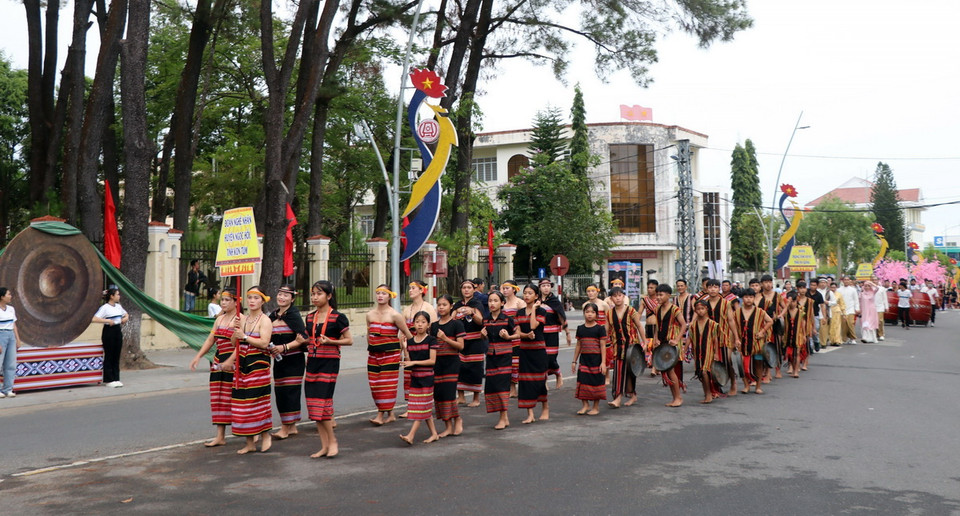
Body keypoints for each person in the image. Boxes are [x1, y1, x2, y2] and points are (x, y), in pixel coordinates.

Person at [302, 280, 352, 458]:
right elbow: (308, 339)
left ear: (329, 296)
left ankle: (333, 442)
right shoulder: (309, 317)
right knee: (314, 406)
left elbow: (349, 340)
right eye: (313, 294)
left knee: (323, 405)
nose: (315, 297)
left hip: (329, 364)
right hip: (312, 363)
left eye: (319, 294)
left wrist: (331, 341)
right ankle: (324, 445)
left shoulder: (338, 317)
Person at [190, 288, 241, 446]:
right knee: (218, 398)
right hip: (218, 360)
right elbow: (211, 340)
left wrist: (230, 362)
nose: (223, 303)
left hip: (234, 362)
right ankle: (220, 436)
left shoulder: (241, 320)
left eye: (227, 300)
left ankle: (250, 434)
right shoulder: (219, 320)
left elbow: (241, 345)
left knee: (236, 398)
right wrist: (198, 356)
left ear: (236, 302)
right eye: (222, 300)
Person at [226, 286, 274, 454]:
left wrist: (245, 337)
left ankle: (265, 435)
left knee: (257, 401)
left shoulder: (265, 320)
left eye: (256, 297)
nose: (252, 301)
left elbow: (264, 343)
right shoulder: (243, 319)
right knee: (242, 403)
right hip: (242, 364)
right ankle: (249, 442)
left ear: (262, 300)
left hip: (258, 365)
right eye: (250, 297)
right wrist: (236, 331)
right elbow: (234, 343)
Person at [366, 285, 413, 426]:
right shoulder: (370, 315)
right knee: (374, 385)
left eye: (383, 293)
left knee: (385, 385)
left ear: (389, 296)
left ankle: (380, 415)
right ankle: (391, 414)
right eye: (378, 293)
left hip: (390, 355)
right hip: (373, 355)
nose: (380, 296)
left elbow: (408, 334)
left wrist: (408, 351)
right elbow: (369, 334)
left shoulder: (395, 315)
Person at [268, 285, 308, 439]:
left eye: (286, 295)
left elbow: (303, 338)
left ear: (292, 299)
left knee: (291, 392)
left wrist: (284, 347)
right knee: (280, 392)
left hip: (294, 359)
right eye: (280, 294)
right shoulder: (273, 316)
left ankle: (286, 427)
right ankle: (291, 427)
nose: (282, 297)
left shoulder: (294, 316)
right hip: (279, 361)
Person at [399, 311, 440, 445]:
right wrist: (405, 349)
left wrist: (414, 363)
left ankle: (411, 435)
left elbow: (432, 361)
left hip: (427, 378)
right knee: (424, 407)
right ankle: (434, 434)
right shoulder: (410, 342)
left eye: (423, 322)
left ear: (428, 324)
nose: (420, 325)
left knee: (421, 407)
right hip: (415, 378)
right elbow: (409, 361)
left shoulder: (431, 340)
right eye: (417, 322)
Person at [482, 291, 519, 430]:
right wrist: (482, 336)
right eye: (490, 301)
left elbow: (517, 334)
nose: (492, 303)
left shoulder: (507, 319)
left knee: (502, 386)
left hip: (504, 356)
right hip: (491, 356)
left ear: (502, 303)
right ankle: (504, 417)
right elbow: (485, 339)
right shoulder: (486, 320)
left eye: (495, 301)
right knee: (492, 386)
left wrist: (508, 336)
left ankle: (503, 418)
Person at [400, 280, 437, 418]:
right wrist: (403, 349)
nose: (410, 290)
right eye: (409, 288)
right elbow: (402, 331)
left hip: (424, 346)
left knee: (423, 376)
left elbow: (433, 329)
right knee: (409, 377)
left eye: (413, 288)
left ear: (421, 290)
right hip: (409, 346)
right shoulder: (406, 309)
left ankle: (424, 404)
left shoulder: (428, 308)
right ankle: (411, 406)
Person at [431, 294, 465, 437]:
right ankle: (448, 425)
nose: (441, 307)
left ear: (451, 306)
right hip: (437, 364)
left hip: (451, 363)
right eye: (439, 305)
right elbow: (431, 346)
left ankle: (457, 419)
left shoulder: (457, 324)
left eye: (444, 305)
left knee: (449, 394)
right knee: (439, 395)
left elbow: (461, 346)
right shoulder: (434, 326)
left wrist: (445, 338)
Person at [516, 284, 549, 424]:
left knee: (540, 380)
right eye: (525, 293)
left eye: (530, 293)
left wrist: (534, 309)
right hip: (524, 350)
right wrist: (525, 335)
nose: (527, 295)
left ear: (536, 296)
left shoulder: (541, 311)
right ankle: (530, 413)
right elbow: (517, 332)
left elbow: (534, 326)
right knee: (525, 382)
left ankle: (545, 408)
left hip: (538, 350)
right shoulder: (519, 312)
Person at [606, 286, 642, 408]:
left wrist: (645, 341)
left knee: (630, 372)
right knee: (619, 372)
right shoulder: (609, 313)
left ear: (623, 297)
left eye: (620, 295)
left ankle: (630, 395)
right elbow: (606, 331)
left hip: (631, 347)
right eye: (615, 296)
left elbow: (639, 326)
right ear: (611, 299)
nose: (618, 298)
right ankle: (619, 397)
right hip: (617, 347)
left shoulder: (631, 311)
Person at [652, 284, 687, 407]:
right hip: (662, 344)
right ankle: (674, 398)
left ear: (668, 295)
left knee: (671, 371)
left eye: (661, 295)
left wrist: (677, 339)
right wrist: (655, 339)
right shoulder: (657, 309)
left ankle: (678, 397)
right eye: (657, 295)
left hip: (671, 344)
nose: (658, 297)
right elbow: (656, 326)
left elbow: (684, 325)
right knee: (666, 371)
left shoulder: (674, 309)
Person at [453, 280, 486, 407]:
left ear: (473, 289)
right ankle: (460, 397)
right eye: (464, 288)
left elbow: (480, 321)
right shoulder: (457, 304)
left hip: (475, 341)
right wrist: (457, 313)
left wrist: (471, 312)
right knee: (459, 368)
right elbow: (451, 319)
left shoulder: (477, 303)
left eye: (469, 287)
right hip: (460, 341)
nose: (466, 290)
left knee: (475, 369)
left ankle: (476, 398)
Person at [734, 288, 772, 394]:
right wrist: (735, 339)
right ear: (742, 299)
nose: (748, 299)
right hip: (743, 343)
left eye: (751, 297)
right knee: (742, 365)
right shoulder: (737, 312)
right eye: (746, 297)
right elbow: (732, 327)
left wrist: (762, 331)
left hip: (757, 344)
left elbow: (770, 321)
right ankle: (746, 385)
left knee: (758, 364)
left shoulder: (760, 311)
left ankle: (758, 386)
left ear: (754, 298)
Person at [704, 279, 738, 394]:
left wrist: (736, 337)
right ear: (706, 289)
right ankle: (715, 387)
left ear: (719, 289)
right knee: (711, 362)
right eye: (710, 287)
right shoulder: (704, 303)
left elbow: (731, 320)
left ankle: (733, 383)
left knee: (727, 361)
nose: (712, 289)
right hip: (709, 336)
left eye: (715, 287)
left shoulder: (726, 303)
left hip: (725, 336)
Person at [573, 303, 607, 415]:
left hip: (596, 361)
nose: (590, 314)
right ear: (584, 314)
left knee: (596, 383)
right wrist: (574, 361)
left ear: (596, 314)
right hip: (584, 361)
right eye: (587, 312)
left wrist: (603, 363)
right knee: (583, 382)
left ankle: (595, 407)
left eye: (592, 312)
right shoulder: (580, 329)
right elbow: (578, 345)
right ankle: (585, 405)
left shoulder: (600, 329)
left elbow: (603, 346)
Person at [92, 287, 130, 388]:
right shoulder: (105, 307)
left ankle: (116, 378)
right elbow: (94, 318)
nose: (119, 296)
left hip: (118, 330)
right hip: (109, 331)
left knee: (116, 354)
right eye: (117, 294)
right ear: (112, 296)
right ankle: (109, 379)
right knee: (109, 354)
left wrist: (125, 318)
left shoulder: (118, 306)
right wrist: (108, 321)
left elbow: (126, 314)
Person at [539, 278, 570, 390]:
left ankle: (558, 373)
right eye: (543, 286)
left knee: (551, 358)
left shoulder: (554, 301)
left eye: (548, 285)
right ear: (540, 287)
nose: (546, 288)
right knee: (542, 358)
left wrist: (567, 333)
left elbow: (562, 316)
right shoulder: (536, 301)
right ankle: (545, 380)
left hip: (552, 333)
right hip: (540, 334)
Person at [687, 300, 720, 403]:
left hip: (709, 351)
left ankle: (709, 395)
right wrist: (685, 350)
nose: (700, 311)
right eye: (698, 309)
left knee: (705, 372)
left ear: (706, 309)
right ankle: (707, 393)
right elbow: (690, 338)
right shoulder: (693, 325)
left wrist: (716, 353)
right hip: (697, 352)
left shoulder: (713, 324)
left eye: (702, 309)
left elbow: (715, 339)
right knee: (701, 373)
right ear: (695, 311)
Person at [583, 284, 612, 384]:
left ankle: (607, 375)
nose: (591, 293)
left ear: (597, 292)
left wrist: (607, 332)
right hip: (591, 331)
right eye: (588, 291)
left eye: (593, 291)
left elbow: (608, 319)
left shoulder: (604, 304)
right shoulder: (585, 305)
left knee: (606, 354)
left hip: (602, 331)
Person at [500, 280, 525, 397]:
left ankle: (515, 388)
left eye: (507, 288)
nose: (505, 290)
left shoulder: (519, 303)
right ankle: (511, 387)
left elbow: (524, 319)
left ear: (514, 289)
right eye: (503, 288)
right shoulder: (502, 304)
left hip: (517, 336)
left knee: (516, 364)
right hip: (504, 337)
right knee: (508, 364)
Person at [757, 275, 785, 380]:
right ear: (762, 284)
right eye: (766, 282)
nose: (768, 284)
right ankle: (765, 370)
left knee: (776, 347)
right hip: (762, 324)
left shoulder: (777, 295)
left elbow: (784, 306)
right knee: (764, 348)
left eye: (770, 282)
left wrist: (780, 315)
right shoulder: (759, 296)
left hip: (775, 324)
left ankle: (777, 369)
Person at [0, 287, 22, 398]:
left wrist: (17, 339)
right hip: (1, 335)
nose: (10, 296)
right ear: (2, 297)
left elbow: (14, 324)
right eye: (8, 294)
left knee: (10, 364)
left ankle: (8, 389)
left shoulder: (11, 309)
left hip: (10, 335)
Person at [782, 292, 808, 378]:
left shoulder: (800, 311)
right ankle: (792, 367)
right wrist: (786, 305)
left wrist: (804, 334)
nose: (792, 304)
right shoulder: (785, 311)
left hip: (798, 335)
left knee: (796, 353)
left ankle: (796, 371)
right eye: (790, 302)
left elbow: (803, 323)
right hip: (788, 335)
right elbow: (781, 316)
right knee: (790, 353)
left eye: (794, 301)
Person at [639, 280, 660, 373]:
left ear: (656, 288)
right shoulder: (644, 300)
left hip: (658, 326)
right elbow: (639, 313)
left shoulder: (660, 299)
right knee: (649, 346)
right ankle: (654, 365)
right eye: (648, 287)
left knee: (656, 345)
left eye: (652, 288)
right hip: (648, 326)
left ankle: (655, 367)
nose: (649, 289)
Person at [838, 277, 860, 344]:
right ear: (843, 281)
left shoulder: (853, 290)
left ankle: (852, 338)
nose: (846, 281)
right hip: (842, 310)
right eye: (845, 280)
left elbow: (856, 300)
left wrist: (857, 308)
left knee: (850, 324)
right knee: (843, 326)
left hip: (851, 309)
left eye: (848, 280)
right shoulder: (839, 290)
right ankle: (843, 339)